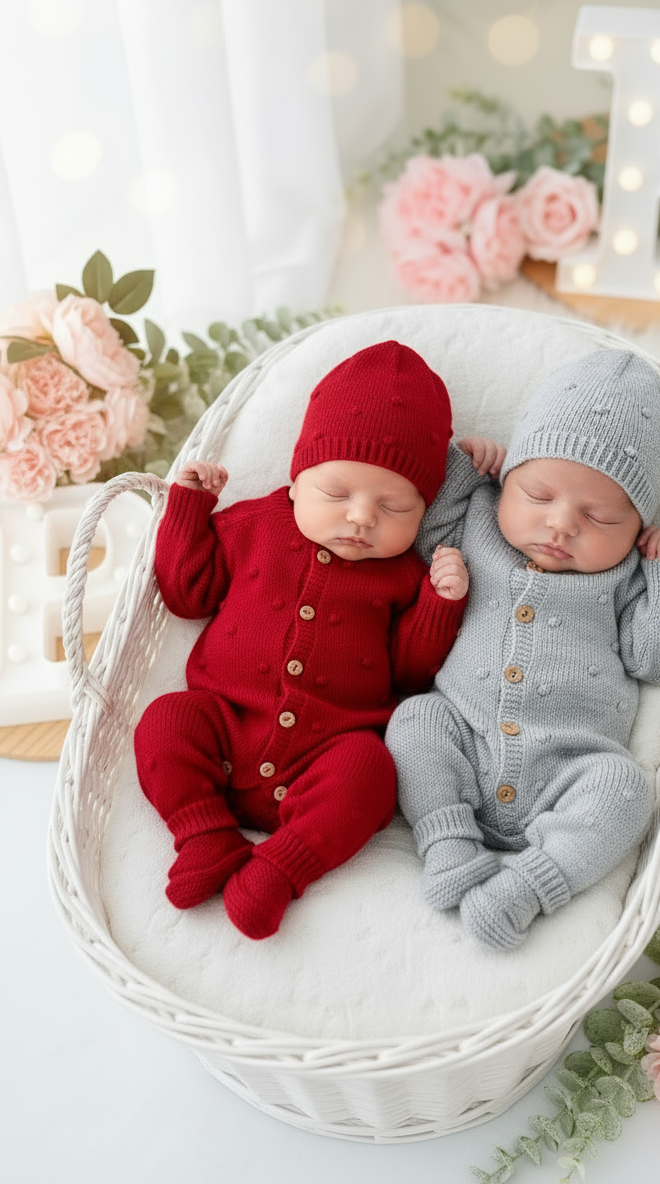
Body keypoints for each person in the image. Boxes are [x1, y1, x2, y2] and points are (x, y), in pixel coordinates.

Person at [134, 341, 470, 940]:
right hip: (226, 726)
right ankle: (204, 836)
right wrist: (188, 504)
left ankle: (278, 870)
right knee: (165, 719)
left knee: (371, 772)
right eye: (338, 495)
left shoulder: (404, 574)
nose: (362, 517)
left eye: (393, 506)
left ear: (423, 512)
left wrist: (440, 606)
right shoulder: (252, 526)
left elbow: (411, 674)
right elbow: (186, 593)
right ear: (295, 480)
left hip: (329, 752)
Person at [386, 349, 660, 950]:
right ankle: (448, 843)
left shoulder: (628, 575)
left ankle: (524, 889)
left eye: (600, 517)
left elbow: (656, 661)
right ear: (508, 482)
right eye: (538, 496)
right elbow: (426, 537)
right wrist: (464, 471)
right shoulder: (477, 522)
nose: (561, 525)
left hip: (570, 768)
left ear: (637, 528)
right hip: (465, 736)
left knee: (626, 788)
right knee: (415, 718)